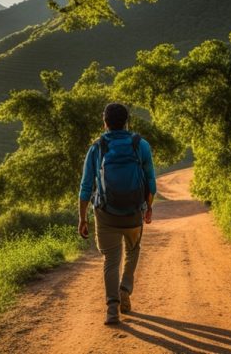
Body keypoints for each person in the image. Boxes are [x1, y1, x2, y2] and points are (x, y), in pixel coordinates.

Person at [78, 102, 156, 325]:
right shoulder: (140, 145)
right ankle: (125, 288)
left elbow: (85, 187)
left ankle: (112, 310)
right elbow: (151, 182)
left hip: (105, 214)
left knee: (111, 260)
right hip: (133, 213)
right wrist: (148, 207)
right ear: (127, 122)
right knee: (133, 250)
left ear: (105, 123)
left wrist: (82, 218)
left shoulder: (97, 147)